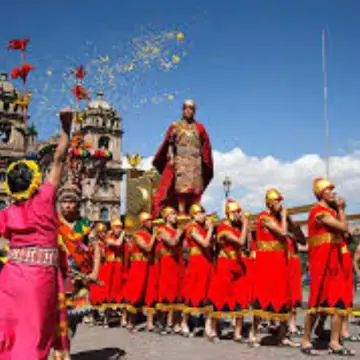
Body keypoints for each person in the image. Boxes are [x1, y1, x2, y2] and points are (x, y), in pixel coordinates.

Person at [0, 108, 72, 359]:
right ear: (34, 181)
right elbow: (59, 159)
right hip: (38, 279)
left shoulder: (7, 212)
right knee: (34, 334)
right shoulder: (45, 198)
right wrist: (66, 127)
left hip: (11, 277)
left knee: (9, 330)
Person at [301, 178, 355, 356]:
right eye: (329, 190)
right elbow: (343, 227)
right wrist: (341, 210)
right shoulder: (319, 212)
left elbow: (343, 232)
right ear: (320, 193)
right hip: (321, 263)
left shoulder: (330, 212)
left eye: (333, 189)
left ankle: (334, 341)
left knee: (338, 301)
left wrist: (340, 211)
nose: (333, 192)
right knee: (316, 302)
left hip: (335, 262)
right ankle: (306, 339)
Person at [53, 182, 101, 359]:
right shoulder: (53, 223)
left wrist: (95, 272)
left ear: (77, 204)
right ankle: (59, 350)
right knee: (54, 317)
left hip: (79, 277)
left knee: (72, 318)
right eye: (64, 201)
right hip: (56, 277)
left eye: (71, 201)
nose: (67, 205)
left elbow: (96, 248)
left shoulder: (86, 225)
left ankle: (65, 350)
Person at [250, 189, 298, 348]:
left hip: (280, 262)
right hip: (267, 263)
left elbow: (293, 236)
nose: (280, 205)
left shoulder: (275, 219)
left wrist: (286, 219)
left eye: (280, 201)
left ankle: (283, 336)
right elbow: (283, 233)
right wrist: (284, 217)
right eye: (277, 201)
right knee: (263, 296)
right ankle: (253, 334)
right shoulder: (264, 217)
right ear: (269, 203)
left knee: (283, 296)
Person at [152, 100, 214, 216]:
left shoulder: (200, 128)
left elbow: (206, 145)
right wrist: (171, 158)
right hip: (181, 160)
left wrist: (205, 161)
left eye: (191, 109)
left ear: (194, 112)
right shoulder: (176, 126)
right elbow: (169, 143)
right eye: (186, 108)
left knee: (196, 188)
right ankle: (181, 211)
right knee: (182, 188)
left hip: (196, 161)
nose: (188, 111)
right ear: (183, 110)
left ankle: (195, 211)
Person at [206, 200, 250, 342]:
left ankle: (237, 333)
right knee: (219, 297)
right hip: (225, 266)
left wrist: (246, 229)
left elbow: (246, 246)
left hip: (237, 266)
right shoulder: (223, 229)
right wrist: (245, 225)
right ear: (230, 214)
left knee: (240, 297)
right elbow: (240, 242)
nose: (239, 215)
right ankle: (212, 331)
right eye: (236, 212)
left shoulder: (236, 230)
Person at [181, 204, 214, 337]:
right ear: (193, 215)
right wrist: (211, 230)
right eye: (200, 213)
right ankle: (184, 322)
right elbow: (205, 243)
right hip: (196, 263)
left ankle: (207, 326)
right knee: (192, 291)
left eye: (203, 213)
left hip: (207, 262)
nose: (203, 216)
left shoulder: (201, 228)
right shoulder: (191, 228)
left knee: (208, 293)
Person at [121, 212, 156, 331]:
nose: (152, 223)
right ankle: (131, 321)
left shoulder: (149, 235)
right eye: (149, 221)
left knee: (150, 292)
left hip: (149, 266)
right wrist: (155, 236)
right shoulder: (137, 235)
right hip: (138, 266)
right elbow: (147, 248)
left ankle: (150, 323)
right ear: (143, 223)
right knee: (136, 292)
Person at [156, 207, 185, 334]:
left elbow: (184, 248)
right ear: (166, 217)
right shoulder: (161, 229)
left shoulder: (176, 229)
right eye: (173, 214)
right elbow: (172, 242)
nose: (175, 216)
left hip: (178, 262)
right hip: (167, 262)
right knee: (167, 290)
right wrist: (180, 232)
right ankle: (162, 322)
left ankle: (177, 323)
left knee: (179, 290)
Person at [103, 218, 126, 313]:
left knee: (120, 289)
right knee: (108, 290)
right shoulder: (108, 238)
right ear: (112, 228)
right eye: (117, 228)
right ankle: (107, 316)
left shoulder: (123, 238)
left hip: (119, 266)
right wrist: (123, 234)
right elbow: (117, 244)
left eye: (120, 228)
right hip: (110, 267)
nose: (119, 230)